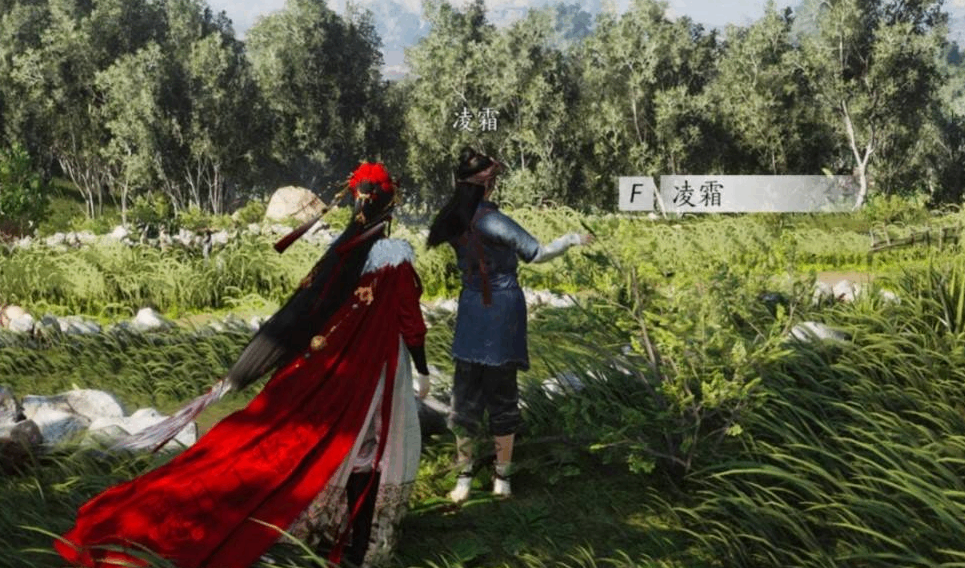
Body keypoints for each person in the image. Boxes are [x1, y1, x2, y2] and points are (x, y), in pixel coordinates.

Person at [55, 162, 431, 568]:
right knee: (374, 448)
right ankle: (358, 547)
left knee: (301, 448)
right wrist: (423, 368)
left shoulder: (344, 253)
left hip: (324, 370)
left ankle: (334, 535)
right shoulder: (393, 257)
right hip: (373, 372)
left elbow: (305, 313)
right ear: (390, 207)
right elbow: (409, 320)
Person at [426, 147, 592, 502]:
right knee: (502, 392)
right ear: (489, 184)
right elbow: (537, 253)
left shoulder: (450, 218)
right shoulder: (492, 220)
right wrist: (572, 239)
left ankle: (464, 479)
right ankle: (502, 479)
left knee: (465, 394)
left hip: (471, 307)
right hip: (500, 308)